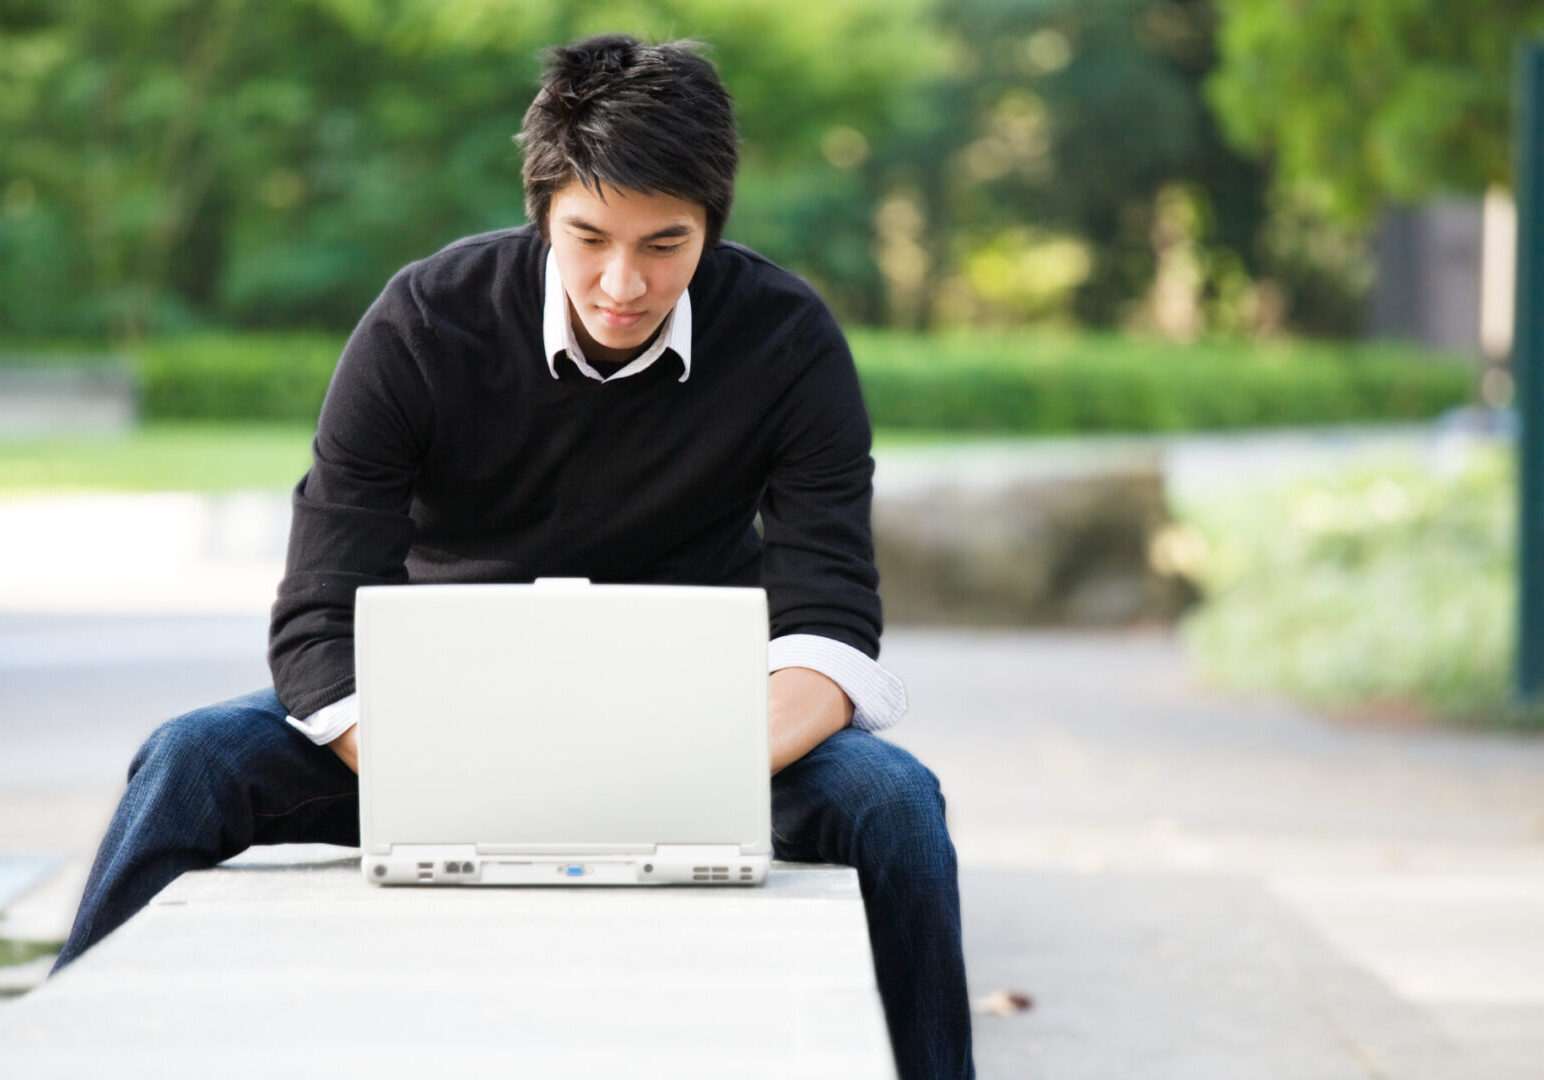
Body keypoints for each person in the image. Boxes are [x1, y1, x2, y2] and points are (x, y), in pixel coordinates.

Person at [53, 34, 974, 1079]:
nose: (622, 283)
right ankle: (67, 1052)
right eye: (588, 237)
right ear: (541, 209)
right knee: (191, 760)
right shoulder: (421, 323)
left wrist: (681, 776)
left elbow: (827, 625)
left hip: (695, 742)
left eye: (664, 245)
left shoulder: (786, 340)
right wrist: (450, 777)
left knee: (894, 803)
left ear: (713, 222)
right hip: (428, 736)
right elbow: (318, 618)